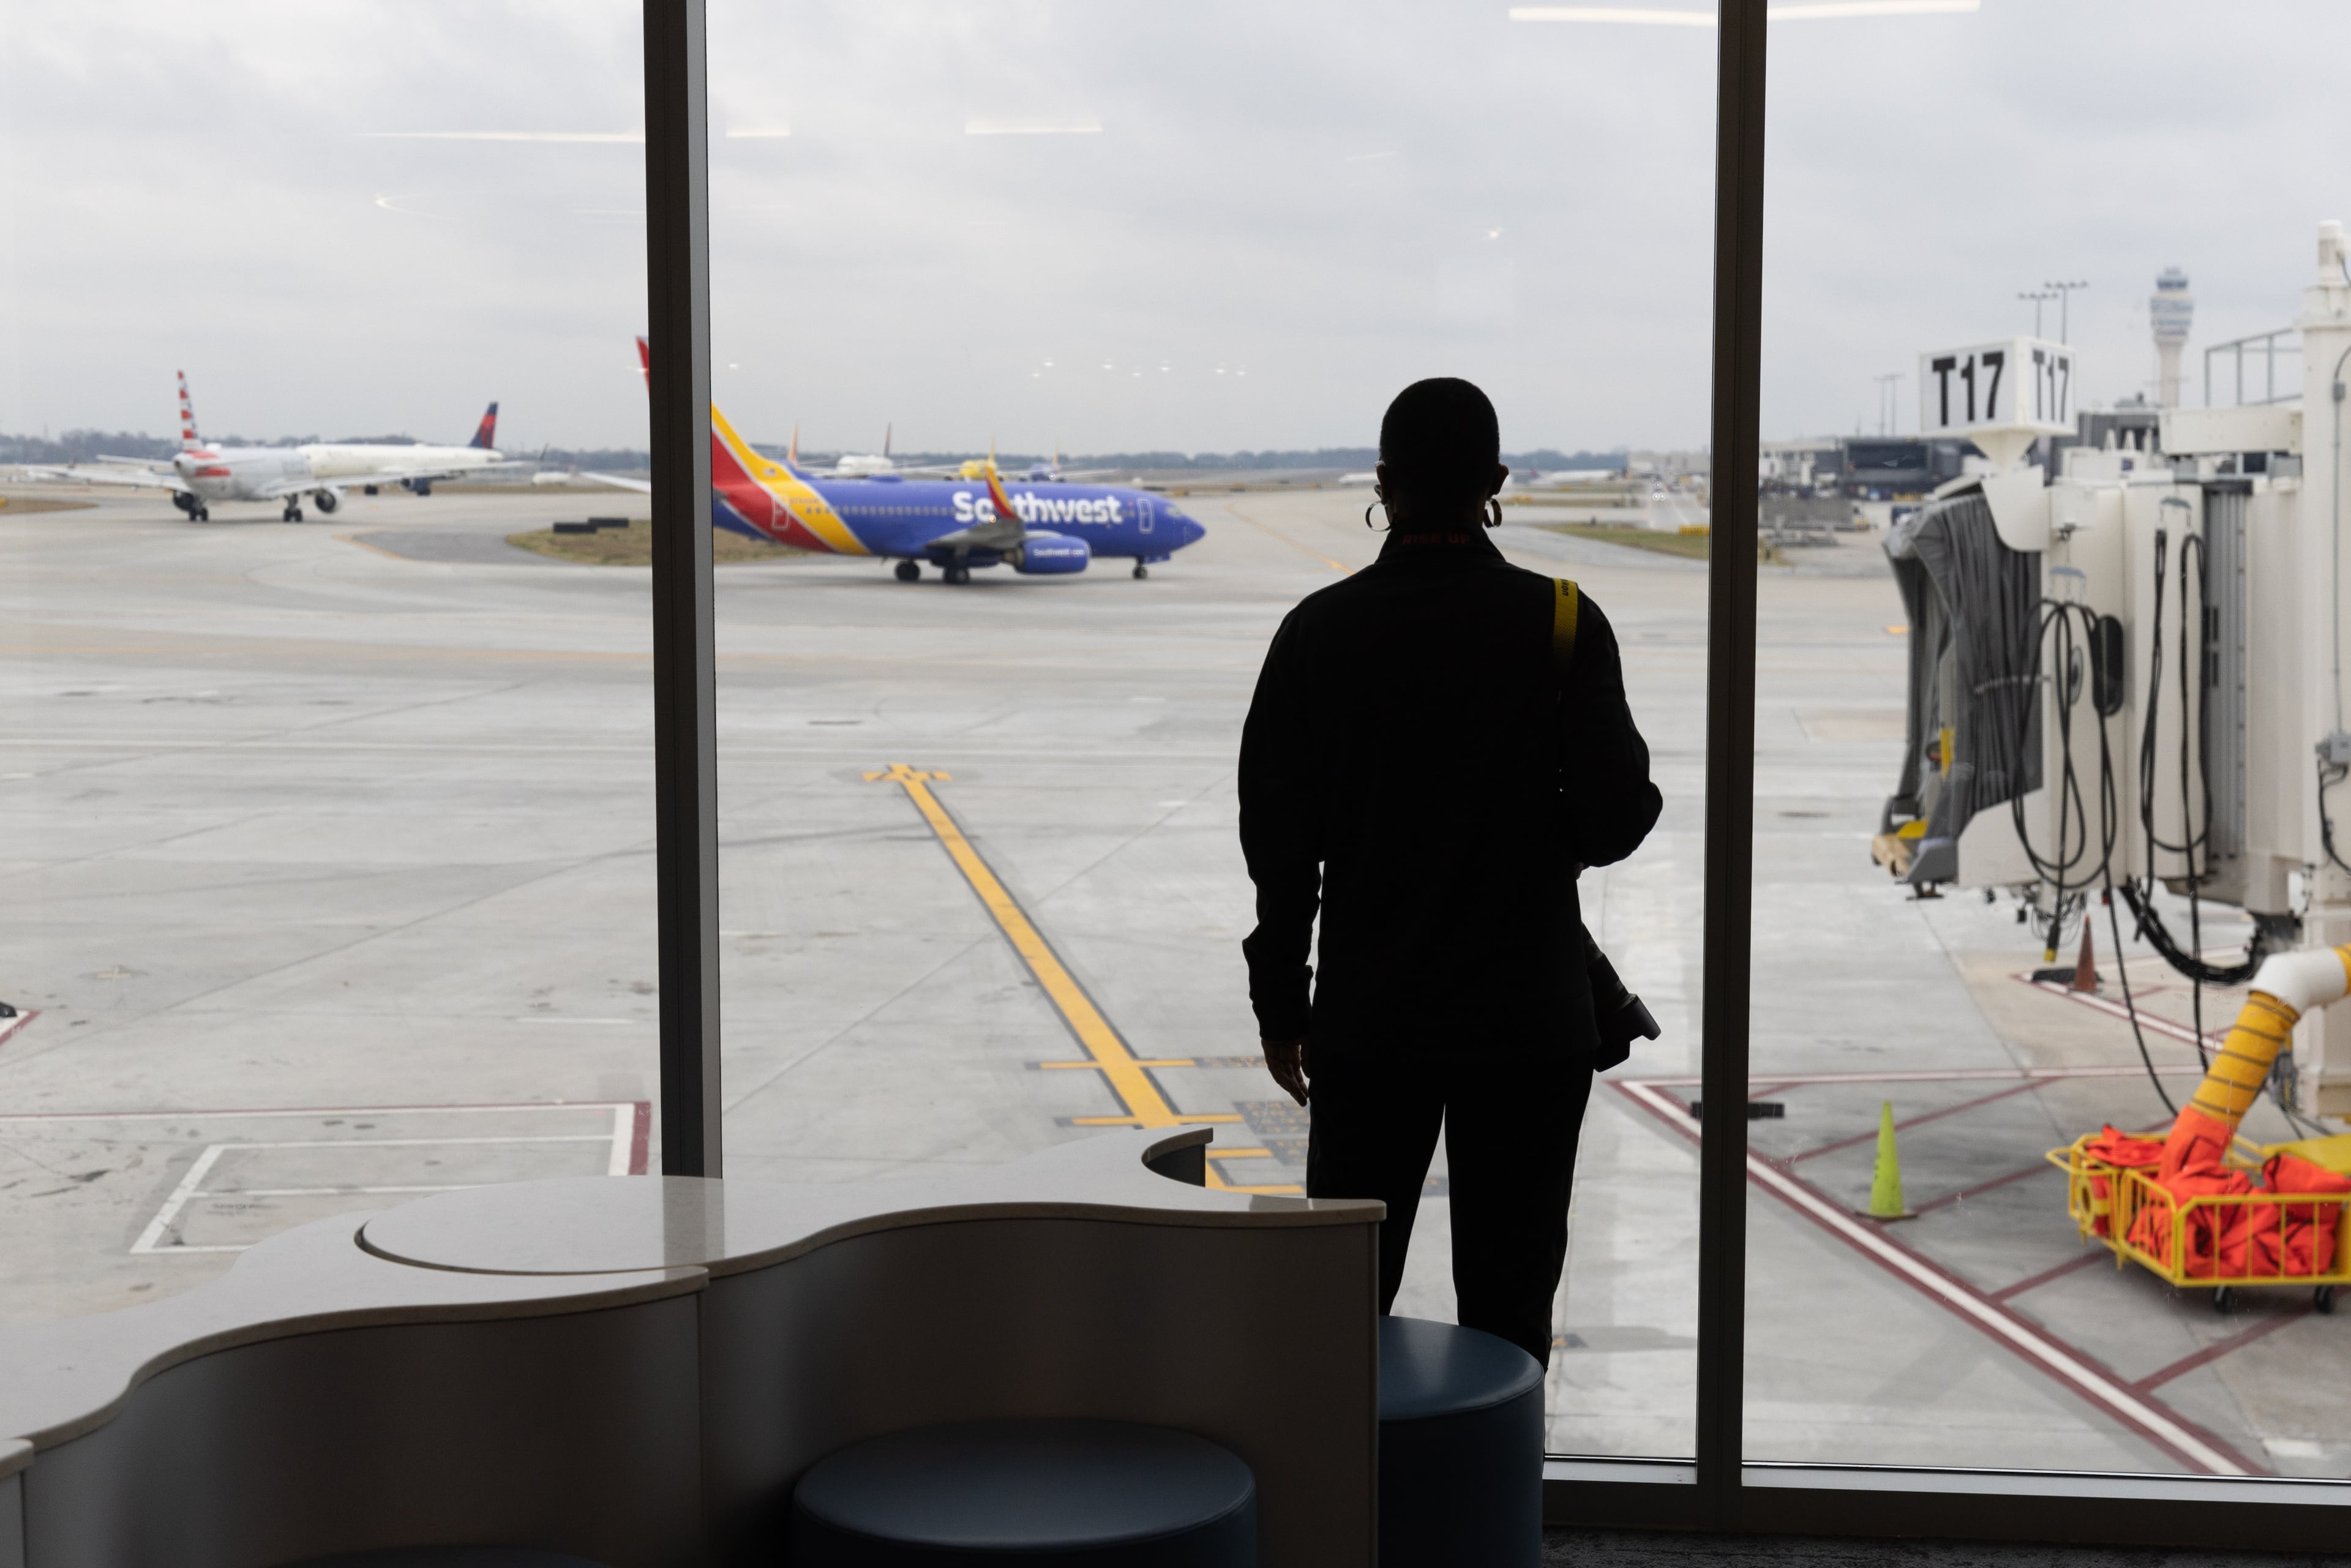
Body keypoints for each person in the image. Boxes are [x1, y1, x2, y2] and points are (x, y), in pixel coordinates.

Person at [1237, 377, 1662, 1367]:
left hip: (1374, 1018)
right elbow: (1616, 820)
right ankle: (1497, 1513)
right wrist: (1530, 828)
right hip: (1528, 1019)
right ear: (1496, 483)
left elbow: (1280, 846)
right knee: (1511, 1311)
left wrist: (1279, 1003)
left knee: (1344, 1309)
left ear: (1384, 483)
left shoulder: (1318, 631)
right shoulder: (1562, 619)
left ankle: (1343, 1512)